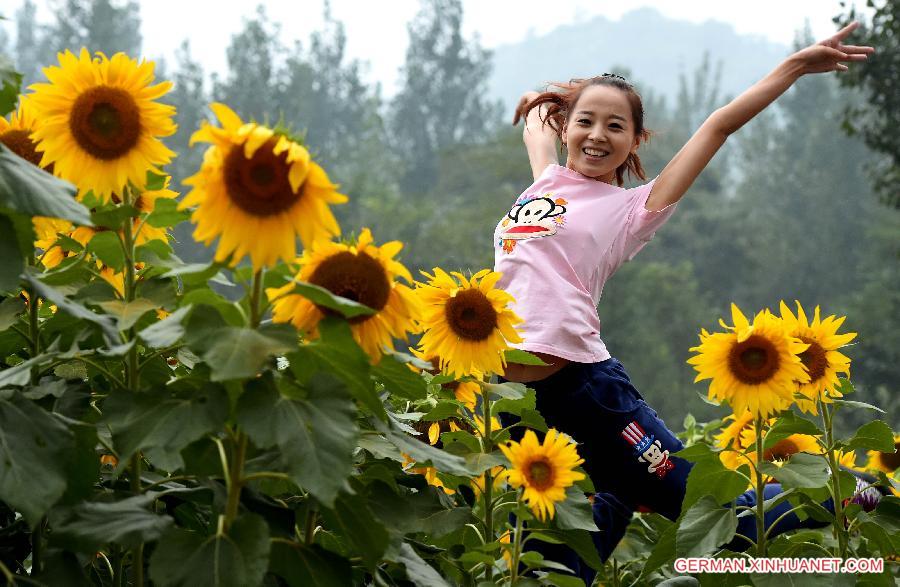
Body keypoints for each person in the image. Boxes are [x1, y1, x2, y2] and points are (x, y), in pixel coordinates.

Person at [494, 22, 876, 581]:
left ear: (634, 141)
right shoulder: (543, 185)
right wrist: (539, 103)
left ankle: (856, 493)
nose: (598, 135)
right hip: (516, 400)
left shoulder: (631, 211)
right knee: (557, 554)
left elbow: (719, 126)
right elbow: (535, 128)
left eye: (615, 126)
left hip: (589, 394)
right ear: (568, 127)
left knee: (720, 520)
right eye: (586, 121)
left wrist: (794, 67)